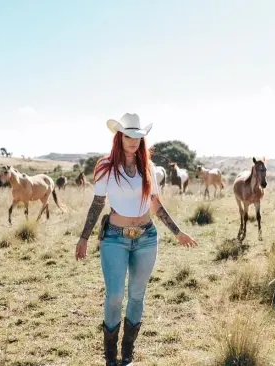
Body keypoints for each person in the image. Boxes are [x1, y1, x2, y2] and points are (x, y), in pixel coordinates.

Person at [75, 113, 198, 365]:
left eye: (138, 137)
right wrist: (84, 237)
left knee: (137, 295)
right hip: (114, 238)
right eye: (128, 136)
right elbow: (98, 203)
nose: (133, 141)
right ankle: (110, 356)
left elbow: (155, 204)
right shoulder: (105, 166)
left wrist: (178, 232)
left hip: (146, 238)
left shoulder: (148, 167)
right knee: (115, 296)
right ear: (119, 137)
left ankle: (127, 353)